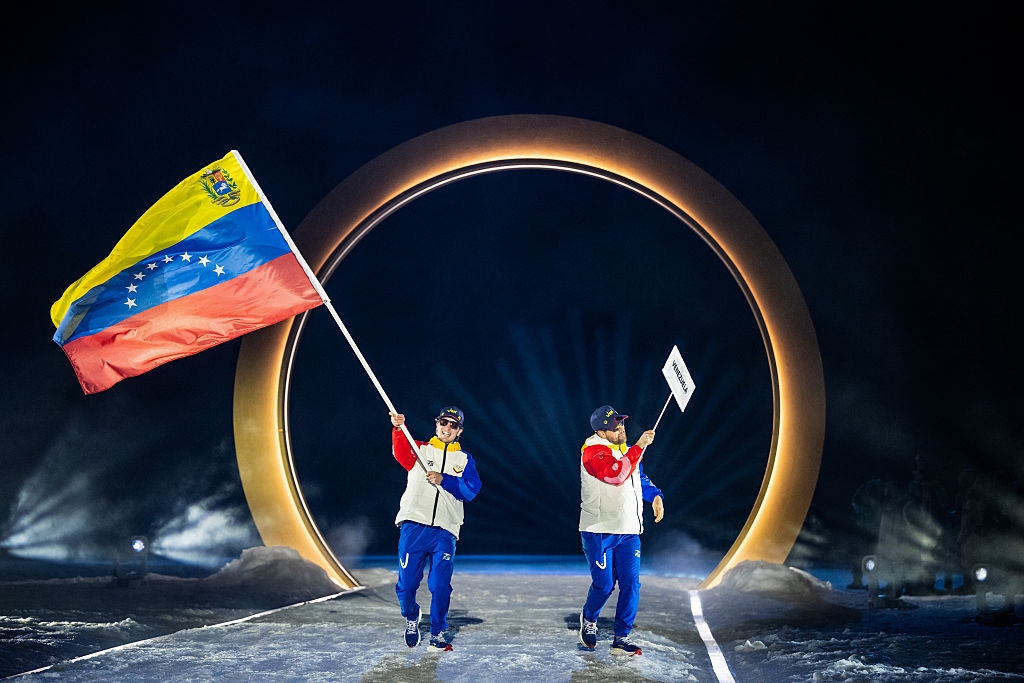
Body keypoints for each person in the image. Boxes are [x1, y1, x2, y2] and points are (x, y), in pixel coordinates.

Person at [390, 406, 482, 651]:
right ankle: (411, 616)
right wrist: (399, 428)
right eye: (444, 422)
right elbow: (400, 452)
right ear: (437, 424)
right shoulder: (420, 448)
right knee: (407, 585)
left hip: (444, 530)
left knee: (440, 586)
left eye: (454, 425)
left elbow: (471, 490)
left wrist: (445, 480)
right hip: (413, 526)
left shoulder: (464, 459)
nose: (447, 428)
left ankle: (438, 632)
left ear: (459, 431)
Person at [577, 405, 663, 656]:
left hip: (628, 531)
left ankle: (621, 638)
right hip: (600, 530)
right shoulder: (592, 452)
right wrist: (640, 446)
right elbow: (616, 475)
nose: (621, 429)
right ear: (601, 432)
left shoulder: (625, 450)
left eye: (621, 423)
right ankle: (589, 618)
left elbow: (638, 477)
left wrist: (655, 495)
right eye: (615, 426)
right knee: (604, 586)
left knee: (631, 584)